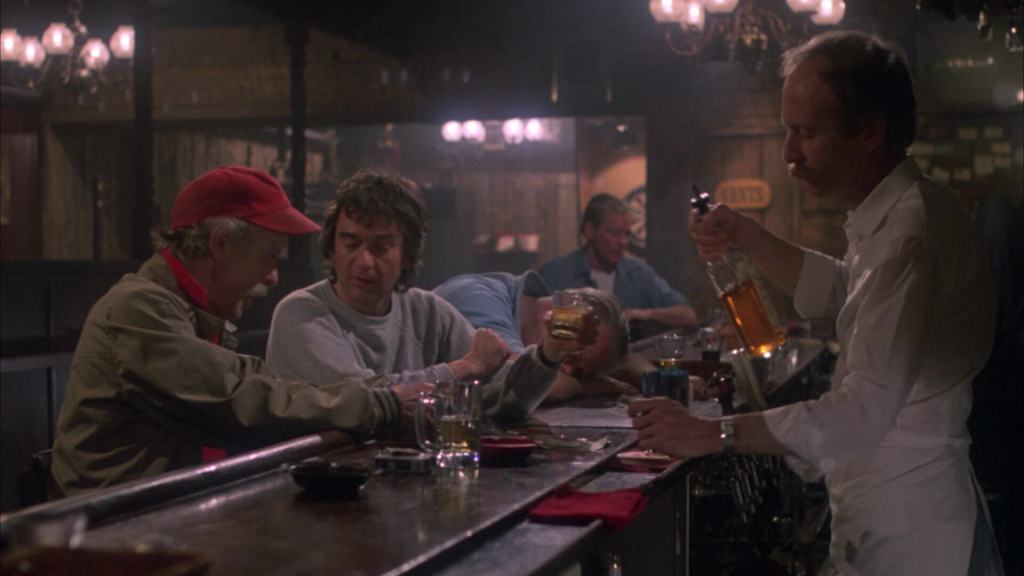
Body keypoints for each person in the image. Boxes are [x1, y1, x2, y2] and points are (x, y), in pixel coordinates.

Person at [629, 31, 1003, 575]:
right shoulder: (899, 214)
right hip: (888, 511)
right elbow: (846, 292)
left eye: (806, 133)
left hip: (910, 535)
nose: (789, 153)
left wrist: (711, 434)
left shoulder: (911, 240)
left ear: (869, 131)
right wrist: (746, 236)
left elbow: (859, 413)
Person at [50, 166, 427, 497]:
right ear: (221, 243)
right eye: (269, 257)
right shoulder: (138, 308)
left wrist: (379, 399)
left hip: (167, 513)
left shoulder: (193, 313)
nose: (273, 277)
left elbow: (267, 385)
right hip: (113, 531)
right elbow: (239, 399)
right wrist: (384, 405)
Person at [267, 171, 588, 420]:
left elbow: (499, 395)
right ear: (331, 247)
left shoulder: (427, 310)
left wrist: (548, 354)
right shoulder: (302, 313)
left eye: (380, 247)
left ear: (407, 255)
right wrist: (464, 367)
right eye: (350, 243)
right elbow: (363, 399)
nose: (363, 261)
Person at [434, 274, 640, 400]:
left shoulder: (523, 308)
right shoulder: (479, 299)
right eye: (571, 357)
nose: (568, 372)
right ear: (562, 315)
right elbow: (517, 383)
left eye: (579, 374)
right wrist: (586, 386)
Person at [537, 193, 697, 335]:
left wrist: (641, 314)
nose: (623, 242)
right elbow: (535, 330)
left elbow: (688, 315)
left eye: (626, 234)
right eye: (615, 233)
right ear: (590, 231)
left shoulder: (638, 273)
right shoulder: (556, 273)